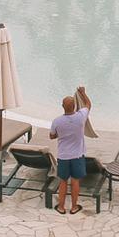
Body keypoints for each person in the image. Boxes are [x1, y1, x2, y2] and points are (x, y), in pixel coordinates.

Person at [49, 86, 92, 215]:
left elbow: (51, 136)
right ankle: (74, 207)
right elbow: (88, 104)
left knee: (63, 181)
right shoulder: (81, 117)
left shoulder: (57, 121)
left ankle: (61, 207)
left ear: (62, 106)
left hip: (63, 156)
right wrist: (83, 93)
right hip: (77, 156)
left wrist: (60, 134)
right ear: (75, 106)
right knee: (75, 181)